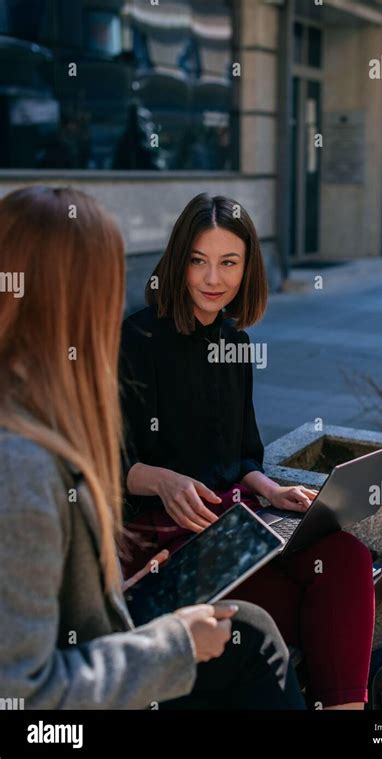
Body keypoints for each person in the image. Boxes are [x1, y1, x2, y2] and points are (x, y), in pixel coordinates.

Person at [0, 186, 305, 711]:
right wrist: (173, 646)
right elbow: (22, 696)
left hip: (119, 618)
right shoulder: (21, 460)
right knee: (249, 638)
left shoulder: (36, 414)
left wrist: (114, 591)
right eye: (104, 286)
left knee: (254, 628)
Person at [119, 193, 376, 711]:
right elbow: (107, 463)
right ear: (178, 261)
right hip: (170, 546)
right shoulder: (138, 338)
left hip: (235, 525)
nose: (213, 278)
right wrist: (162, 479)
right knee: (291, 607)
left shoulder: (234, 341)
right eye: (199, 261)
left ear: (248, 267)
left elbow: (242, 455)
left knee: (347, 557)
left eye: (229, 263)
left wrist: (270, 488)